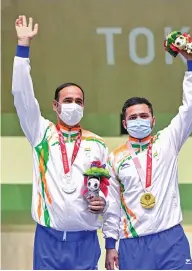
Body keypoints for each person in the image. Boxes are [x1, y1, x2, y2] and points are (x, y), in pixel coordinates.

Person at [13, 15, 109, 270]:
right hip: (49, 240)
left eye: (78, 101)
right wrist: (23, 48)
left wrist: (104, 203)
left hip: (86, 240)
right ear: (55, 106)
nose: (73, 105)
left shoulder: (97, 144)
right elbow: (22, 95)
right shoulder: (41, 133)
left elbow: (108, 191)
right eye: (67, 100)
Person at [103, 42, 192, 270]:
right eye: (134, 117)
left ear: (153, 120)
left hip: (171, 240)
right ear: (125, 124)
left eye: (144, 116)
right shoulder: (115, 158)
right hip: (133, 244)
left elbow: (190, 107)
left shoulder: (168, 140)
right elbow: (112, 205)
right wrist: (110, 244)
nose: (139, 120)